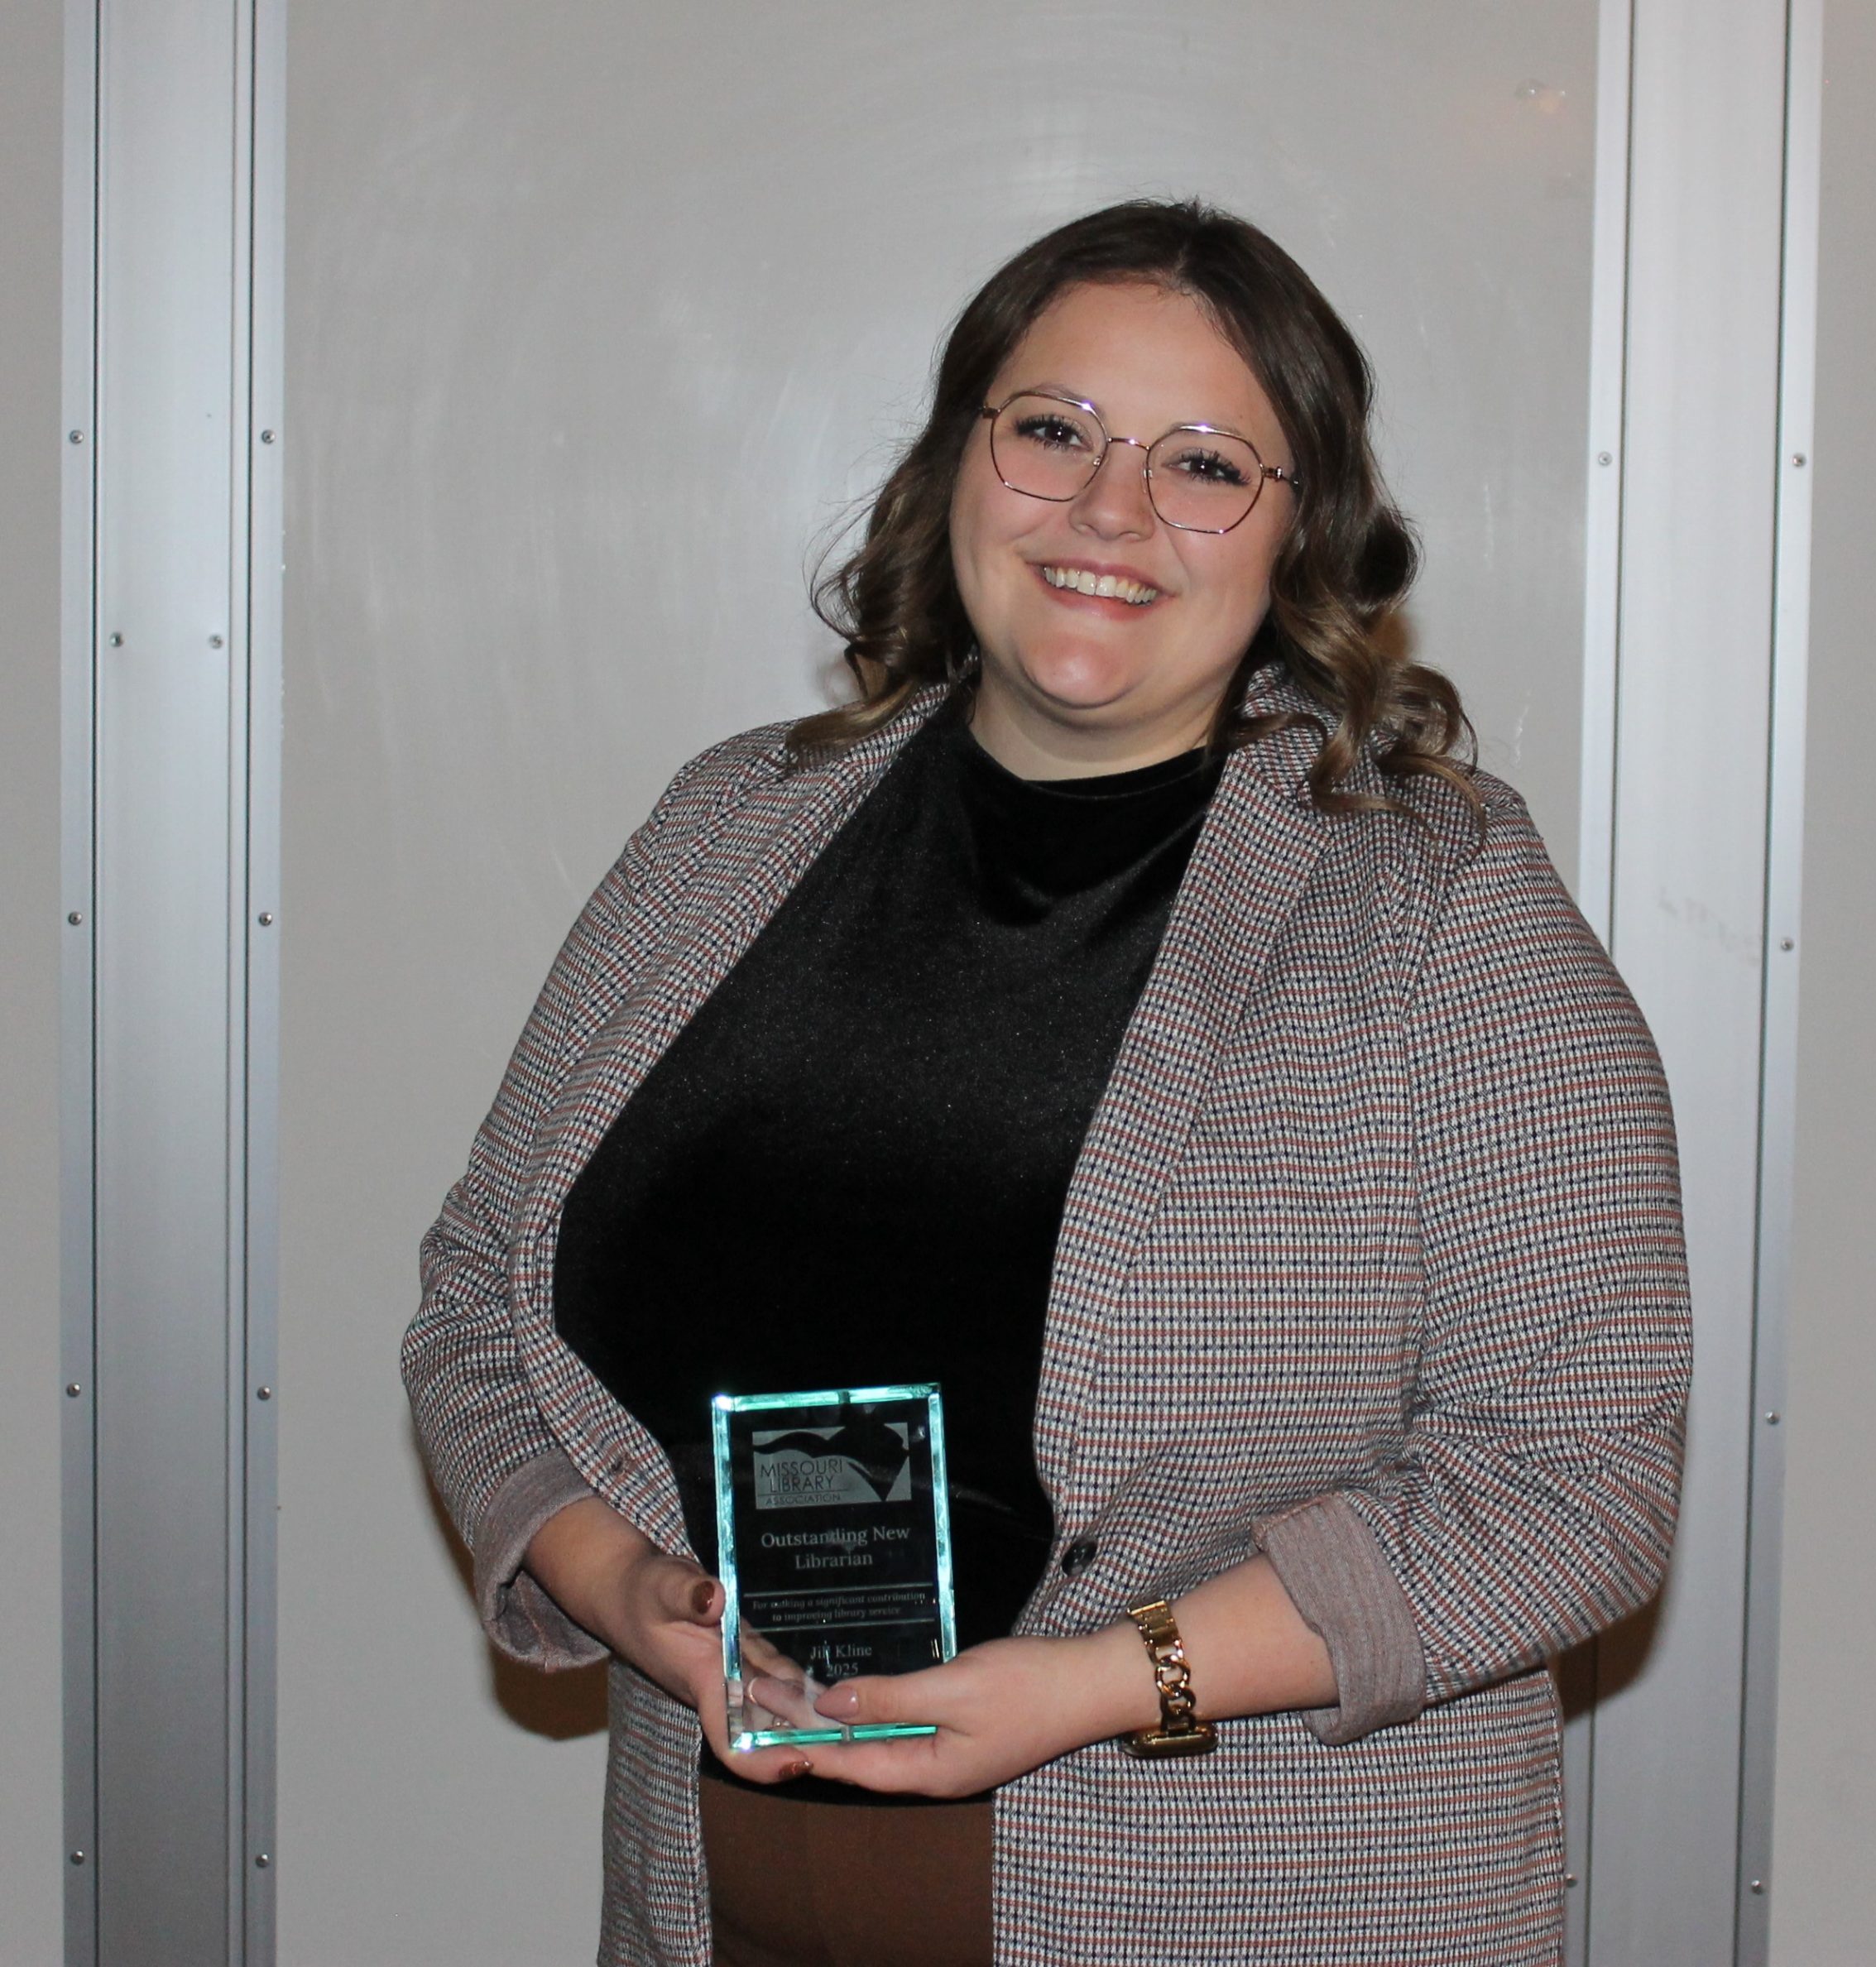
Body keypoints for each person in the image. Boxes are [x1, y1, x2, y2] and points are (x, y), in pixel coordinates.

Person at [403, 198, 1690, 1967]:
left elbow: (1573, 1472)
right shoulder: (725, 827)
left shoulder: (1435, 901)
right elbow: (479, 1297)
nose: (1109, 509)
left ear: (1299, 530)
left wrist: (1105, 1680)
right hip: (717, 1892)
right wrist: (619, 1582)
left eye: (1202, 463)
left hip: (1245, 1914)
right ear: (960, 462)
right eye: (1054, 430)